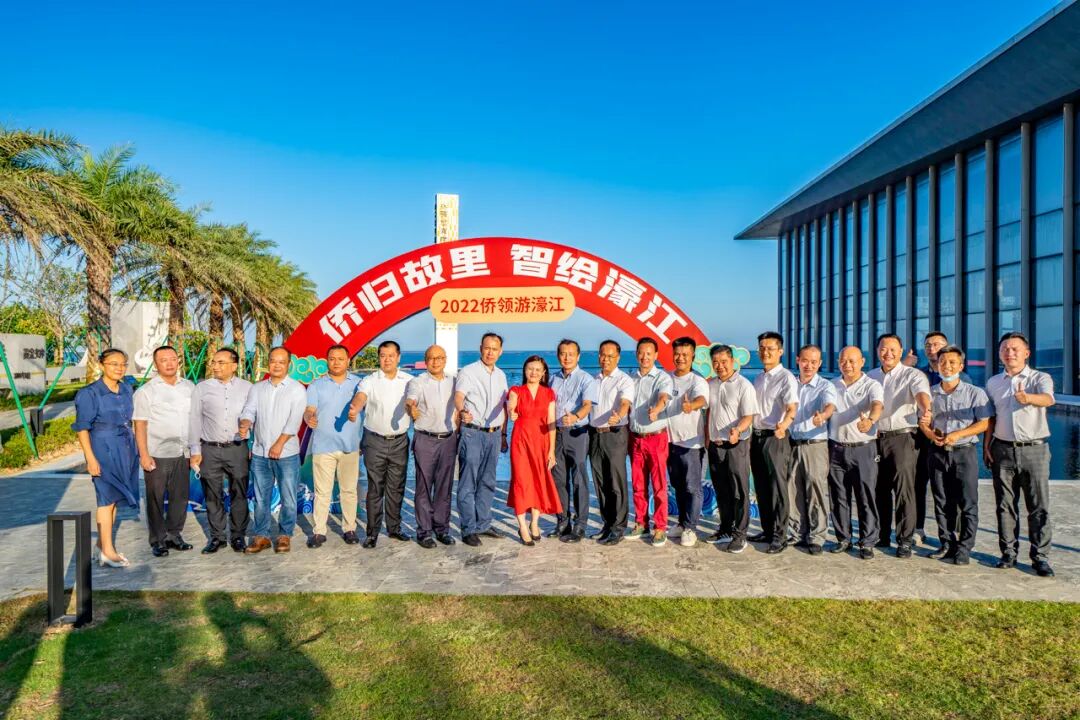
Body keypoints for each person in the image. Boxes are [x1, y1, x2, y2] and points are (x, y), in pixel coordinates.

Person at [984, 332, 1056, 577]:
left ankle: (1040, 557)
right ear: (999, 354)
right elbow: (991, 418)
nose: (1009, 352)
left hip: (1034, 449)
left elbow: (1048, 399)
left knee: (1038, 506)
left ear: (1026, 353)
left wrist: (1028, 398)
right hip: (1002, 449)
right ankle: (1008, 553)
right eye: (1005, 349)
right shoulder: (993, 382)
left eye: (1015, 349)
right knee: (1005, 505)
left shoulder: (1039, 378)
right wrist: (987, 445)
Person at [917, 345, 992, 566]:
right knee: (941, 500)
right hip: (937, 453)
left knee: (968, 501)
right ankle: (947, 543)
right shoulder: (930, 394)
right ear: (937, 365)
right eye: (943, 362)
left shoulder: (975, 393)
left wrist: (958, 434)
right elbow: (923, 423)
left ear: (961, 365)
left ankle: (964, 548)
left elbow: (984, 423)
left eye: (952, 362)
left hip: (964, 452)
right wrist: (930, 434)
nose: (947, 366)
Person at [73, 348, 140, 568]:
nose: (119, 368)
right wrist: (90, 459)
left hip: (125, 448)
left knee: (113, 499)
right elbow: (82, 428)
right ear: (102, 365)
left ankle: (102, 546)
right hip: (103, 448)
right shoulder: (89, 393)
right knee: (105, 498)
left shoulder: (127, 389)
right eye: (114, 364)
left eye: (123, 364)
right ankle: (108, 552)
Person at [238, 346, 307, 555]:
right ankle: (262, 536)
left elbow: (294, 421)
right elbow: (250, 409)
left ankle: (284, 534)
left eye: (281, 362)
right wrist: (246, 421)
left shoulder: (297, 389)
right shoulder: (257, 388)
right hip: (260, 453)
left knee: (288, 498)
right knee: (261, 498)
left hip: (286, 454)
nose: (276, 365)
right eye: (273, 361)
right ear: (268, 362)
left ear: (288, 365)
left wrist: (279, 444)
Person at [868, 333, 931, 557]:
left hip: (903, 438)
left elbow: (922, 395)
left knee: (905, 490)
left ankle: (905, 540)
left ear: (901, 351)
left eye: (893, 349)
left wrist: (926, 410)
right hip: (876, 438)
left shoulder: (913, 374)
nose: (888, 353)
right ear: (877, 351)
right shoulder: (870, 376)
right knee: (879, 489)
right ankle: (882, 535)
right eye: (883, 349)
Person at [133, 345, 195, 558]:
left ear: (178, 361)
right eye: (163, 360)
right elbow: (140, 425)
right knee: (155, 499)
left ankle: (174, 535)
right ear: (156, 364)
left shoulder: (189, 387)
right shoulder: (146, 392)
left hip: (183, 452)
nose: (169, 363)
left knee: (180, 497)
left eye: (173, 359)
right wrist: (144, 454)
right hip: (157, 454)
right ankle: (158, 540)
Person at [189, 347, 253, 554]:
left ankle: (238, 536)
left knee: (239, 493)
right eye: (214, 362)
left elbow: (254, 416)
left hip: (237, 449)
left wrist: (251, 441)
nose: (215, 366)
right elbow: (194, 419)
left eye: (221, 362)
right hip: (210, 449)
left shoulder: (248, 388)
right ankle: (217, 538)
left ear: (234, 366)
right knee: (212, 495)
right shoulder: (202, 388)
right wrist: (195, 449)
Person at [349, 340, 412, 548]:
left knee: (396, 487)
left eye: (391, 356)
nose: (387, 360)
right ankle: (372, 533)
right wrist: (355, 408)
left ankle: (394, 528)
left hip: (400, 441)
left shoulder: (409, 381)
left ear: (398, 357)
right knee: (375, 488)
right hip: (374, 441)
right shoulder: (369, 380)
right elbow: (361, 397)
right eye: (383, 356)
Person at [913, 331, 971, 545]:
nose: (932, 348)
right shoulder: (918, 375)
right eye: (928, 345)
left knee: (952, 488)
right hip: (922, 439)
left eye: (936, 344)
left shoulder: (962, 378)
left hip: (951, 441)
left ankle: (953, 533)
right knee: (918, 484)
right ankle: (917, 528)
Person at [303, 344, 362, 548]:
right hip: (323, 447)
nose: (336, 362)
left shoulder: (359, 384)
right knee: (322, 492)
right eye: (332, 358)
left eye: (340, 358)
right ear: (327, 361)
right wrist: (309, 418)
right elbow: (309, 409)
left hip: (350, 447)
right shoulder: (316, 385)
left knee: (349, 491)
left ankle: (349, 529)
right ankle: (319, 532)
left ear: (348, 361)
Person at [828, 346, 884, 559]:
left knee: (865, 496)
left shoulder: (872, 384)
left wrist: (870, 420)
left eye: (852, 361)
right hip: (836, 448)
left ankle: (867, 542)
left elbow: (877, 404)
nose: (847, 365)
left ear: (862, 362)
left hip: (863, 449)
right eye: (843, 361)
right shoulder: (832, 385)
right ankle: (843, 538)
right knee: (838, 496)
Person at [454, 332, 509, 547]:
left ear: (500, 352)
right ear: (480, 348)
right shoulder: (468, 372)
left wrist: (503, 434)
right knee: (468, 482)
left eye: (494, 349)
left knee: (488, 481)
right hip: (472, 432)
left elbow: (504, 406)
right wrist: (462, 411)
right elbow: (459, 397)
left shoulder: (501, 375)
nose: (490, 352)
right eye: (487, 348)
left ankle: (483, 524)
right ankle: (468, 529)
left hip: (494, 434)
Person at [704, 344, 758, 554]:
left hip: (736, 445)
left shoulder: (744, 385)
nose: (720, 366)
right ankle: (725, 528)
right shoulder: (711, 384)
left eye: (724, 361)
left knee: (739, 492)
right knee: (721, 490)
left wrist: (738, 430)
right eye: (716, 362)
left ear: (733, 362)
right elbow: (708, 412)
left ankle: (740, 534)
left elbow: (748, 416)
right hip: (715, 446)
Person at [405, 345, 458, 549]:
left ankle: (442, 529)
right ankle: (424, 532)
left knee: (445, 487)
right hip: (425, 439)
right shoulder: (417, 382)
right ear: (426, 361)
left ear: (445, 360)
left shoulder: (454, 381)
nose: (435, 362)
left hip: (448, 439)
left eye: (439, 358)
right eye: (431, 358)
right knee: (424, 487)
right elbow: (411, 400)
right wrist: (411, 408)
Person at [749, 331, 798, 553]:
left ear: (780, 351)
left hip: (775, 437)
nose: (765, 352)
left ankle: (780, 536)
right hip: (757, 436)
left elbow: (791, 407)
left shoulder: (786, 377)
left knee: (778, 488)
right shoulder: (759, 378)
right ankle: (767, 530)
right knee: (761, 486)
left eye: (770, 348)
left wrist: (784, 425)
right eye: (762, 348)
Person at [787, 344, 836, 555]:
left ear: (820, 364)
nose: (809, 365)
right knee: (792, 489)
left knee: (816, 491)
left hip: (815, 444)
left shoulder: (825, 386)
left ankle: (817, 537)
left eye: (814, 362)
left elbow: (830, 405)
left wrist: (822, 416)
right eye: (805, 361)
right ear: (798, 360)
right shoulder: (790, 384)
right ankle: (797, 533)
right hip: (791, 443)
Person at [507, 356, 561, 546]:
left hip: (541, 441)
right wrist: (511, 412)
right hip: (521, 441)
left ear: (544, 373)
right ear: (525, 370)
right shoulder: (516, 390)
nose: (534, 373)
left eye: (538, 369)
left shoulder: (549, 393)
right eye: (530, 369)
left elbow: (551, 422)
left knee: (539, 480)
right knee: (521, 481)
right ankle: (522, 526)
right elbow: (511, 405)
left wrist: (551, 451)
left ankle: (534, 523)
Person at [548, 339, 598, 542]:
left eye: (571, 354)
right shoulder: (553, 379)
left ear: (578, 356)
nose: (567, 357)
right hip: (556, 434)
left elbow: (587, 405)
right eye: (563, 353)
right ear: (558, 356)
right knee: (559, 480)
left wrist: (575, 417)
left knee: (579, 480)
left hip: (578, 433)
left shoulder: (586, 379)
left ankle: (580, 524)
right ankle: (562, 521)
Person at [628, 337, 673, 546]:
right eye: (641, 353)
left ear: (656, 355)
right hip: (635, 438)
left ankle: (660, 526)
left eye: (649, 353)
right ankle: (641, 523)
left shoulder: (662, 377)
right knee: (638, 484)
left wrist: (656, 409)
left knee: (659, 485)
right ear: (636, 354)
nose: (644, 357)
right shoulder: (631, 378)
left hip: (656, 438)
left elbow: (664, 397)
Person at [588, 340, 634, 545]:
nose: (605, 359)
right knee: (600, 482)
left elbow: (625, 402)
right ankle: (607, 524)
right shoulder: (593, 380)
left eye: (610, 356)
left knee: (616, 482)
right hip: (594, 435)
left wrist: (619, 414)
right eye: (602, 355)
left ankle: (618, 527)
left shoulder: (624, 380)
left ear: (618, 357)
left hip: (615, 434)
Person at [665, 337, 709, 548]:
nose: (680, 358)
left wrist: (691, 405)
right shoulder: (666, 378)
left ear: (693, 356)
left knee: (693, 487)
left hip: (691, 444)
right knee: (678, 486)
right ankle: (682, 523)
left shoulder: (697, 381)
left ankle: (691, 528)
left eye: (685, 354)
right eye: (677, 354)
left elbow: (702, 400)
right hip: (670, 442)